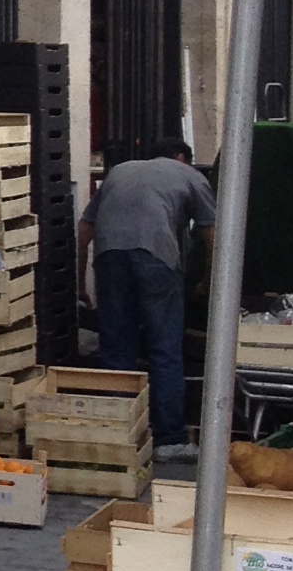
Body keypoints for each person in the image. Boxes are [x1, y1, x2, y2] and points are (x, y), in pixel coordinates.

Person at [81, 140, 215, 454]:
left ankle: (120, 434)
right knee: (164, 350)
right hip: (156, 257)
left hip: (109, 257)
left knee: (117, 350)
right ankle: (169, 440)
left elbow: (85, 228)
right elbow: (212, 234)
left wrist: (79, 284)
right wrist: (210, 283)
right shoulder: (190, 175)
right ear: (182, 158)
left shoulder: (120, 171)